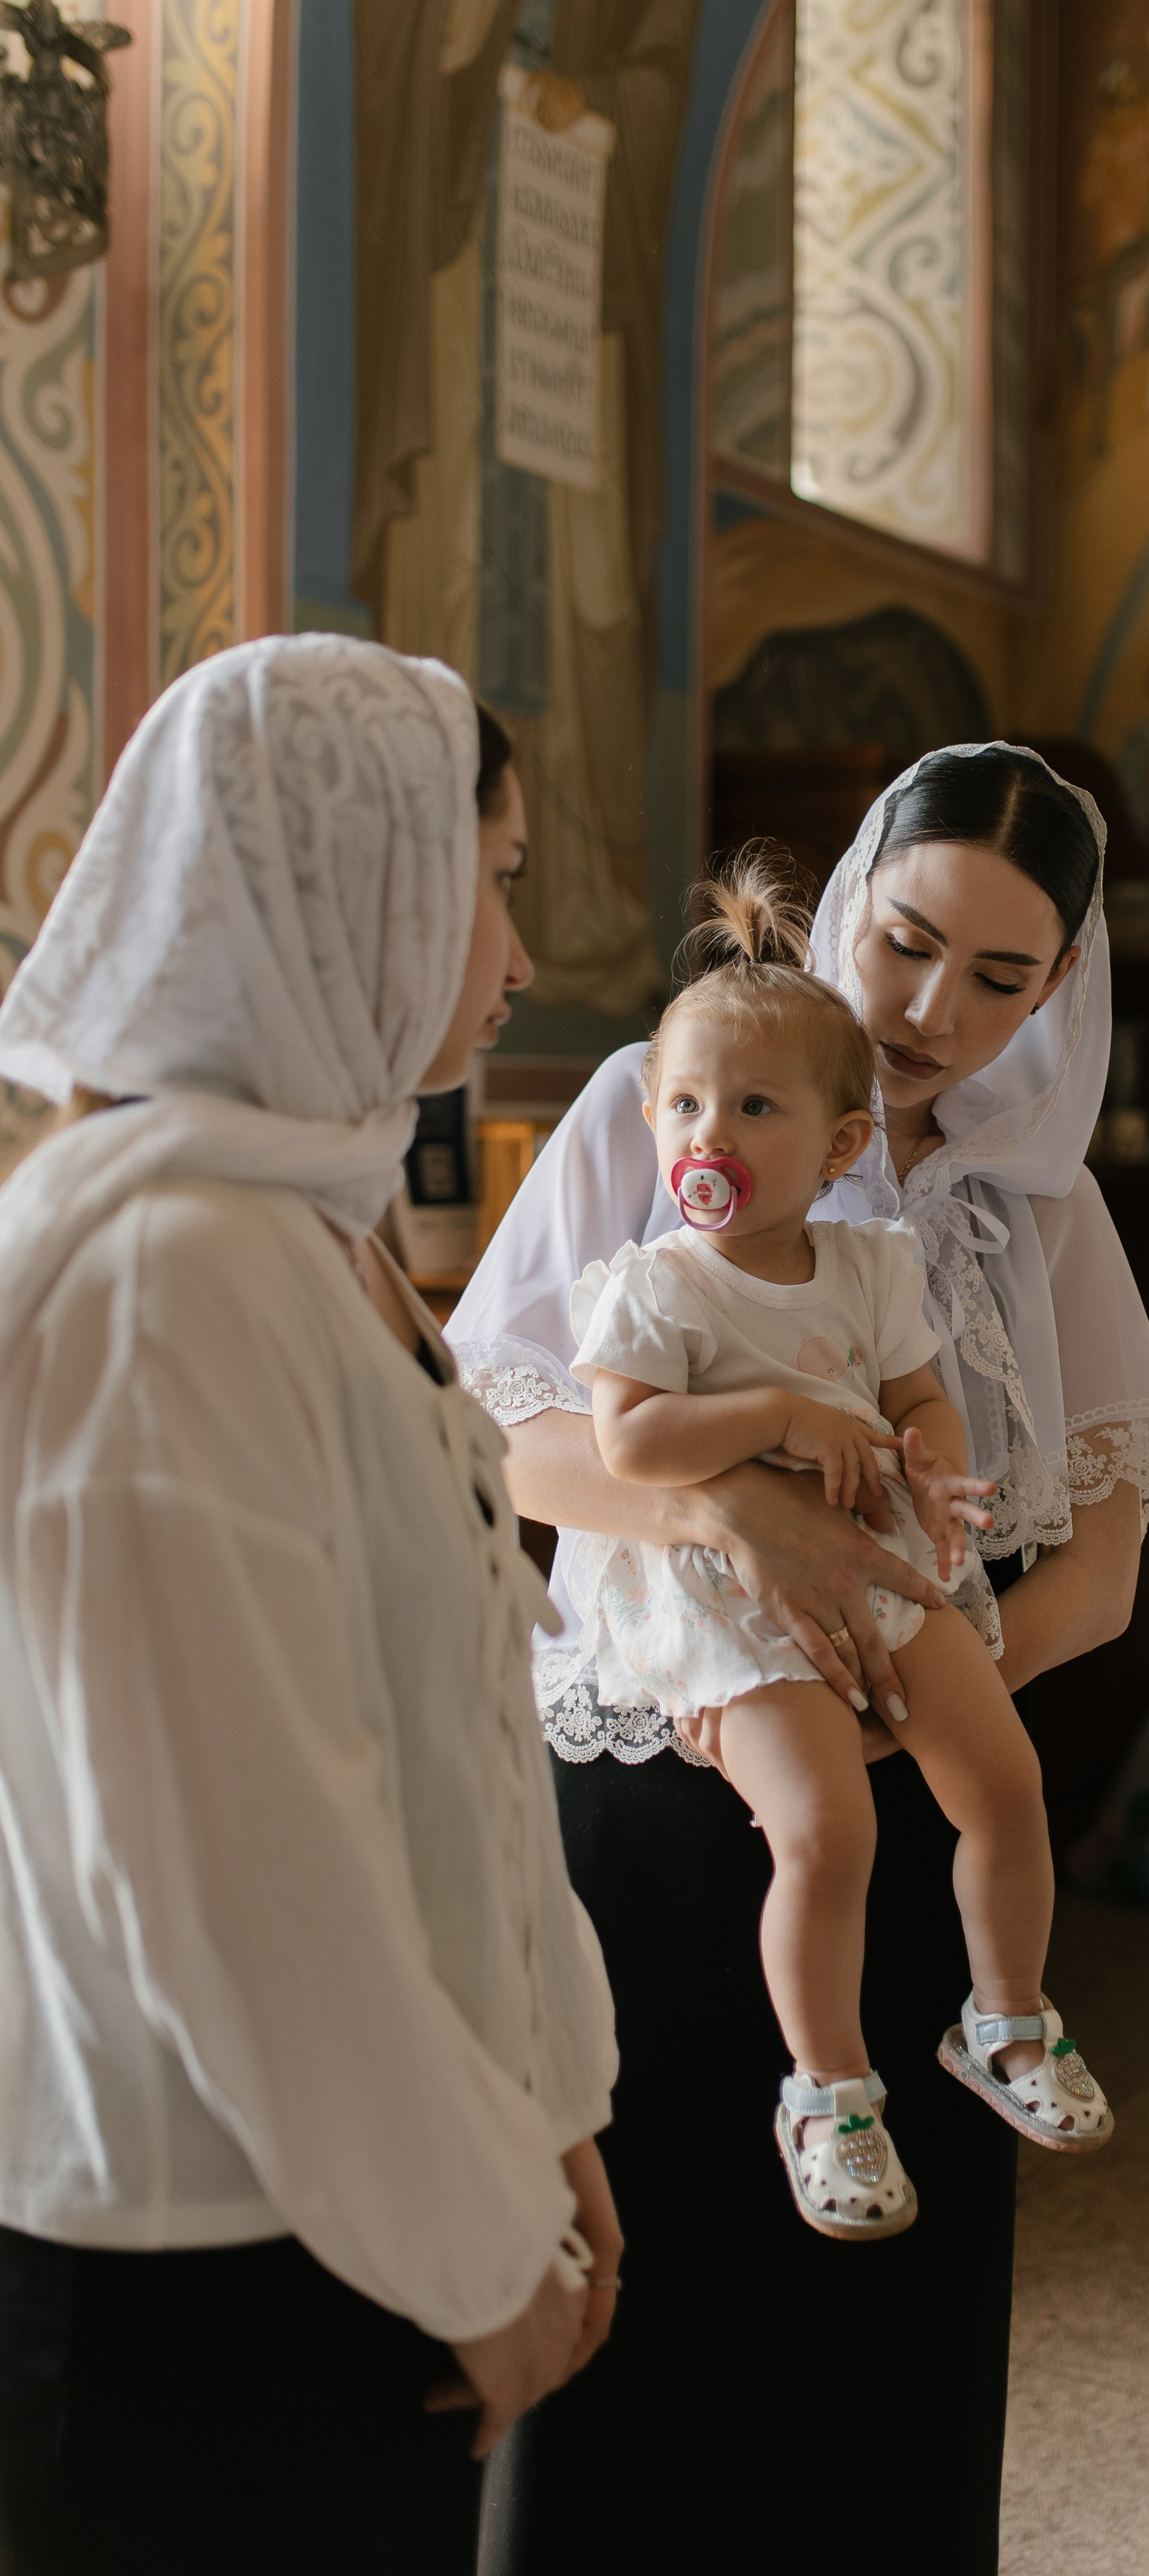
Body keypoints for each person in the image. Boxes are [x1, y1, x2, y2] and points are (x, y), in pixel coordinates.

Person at [450, 742, 1149, 2571]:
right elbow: (511, 1446)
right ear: (852, 889)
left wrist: (916, 1688)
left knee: (880, 2319)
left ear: (1060, 993)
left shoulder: (1044, 1206)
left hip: (915, 1771)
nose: (935, 1010)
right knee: (654, 2264)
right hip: (656, 1755)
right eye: (910, 940)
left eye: (1003, 979)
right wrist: (742, 1528)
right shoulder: (670, 1096)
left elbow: (1100, 1565)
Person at [0, 637, 622, 2576]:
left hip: (351, 2198)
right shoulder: (164, 1274)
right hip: (199, 2252)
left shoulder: (307, 1238)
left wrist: (550, 2125)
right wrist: (472, 2241)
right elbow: (243, 1865)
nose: (516, 955)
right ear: (356, 876)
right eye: (498, 878)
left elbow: (450, 1748)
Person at [567, 861, 1113, 2241]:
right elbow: (627, 1448)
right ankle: (826, 2088)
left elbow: (917, 1390)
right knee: (825, 1826)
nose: (714, 1132)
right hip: (720, 1598)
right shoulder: (655, 1286)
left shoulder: (870, 1265)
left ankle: (1004, 2017)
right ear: (650, 1118)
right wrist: (776, 1414)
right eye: (686, 1104)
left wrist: (929, 1460)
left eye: (754, 1107)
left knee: (1001, 1775)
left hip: (878, 1559)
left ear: (836, 1144)